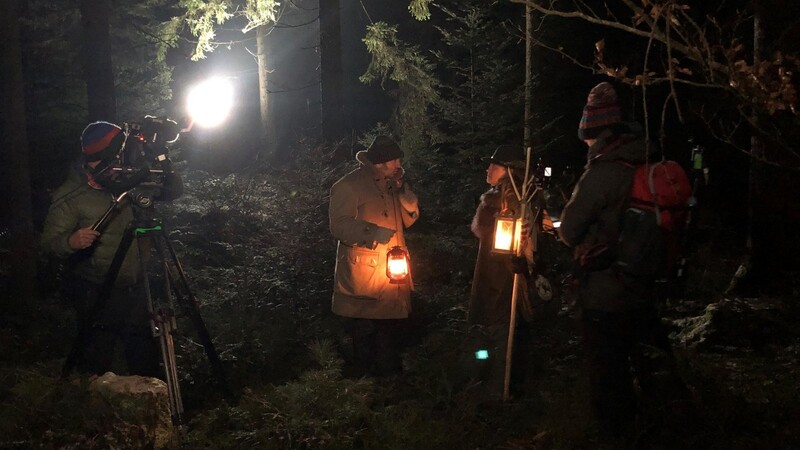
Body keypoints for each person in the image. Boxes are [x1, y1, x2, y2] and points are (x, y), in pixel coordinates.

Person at [558, 82, 678, 438]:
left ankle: (616, 435)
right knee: (647, 359)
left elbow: (570, 230)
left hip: (605, 289)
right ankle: (666, 426)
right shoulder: (647, 159)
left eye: (587, 137)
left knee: (608, 370)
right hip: (644, 281)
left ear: (596, 133)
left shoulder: (604, 171)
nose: (585, 144)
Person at [41, 121, 182, 378]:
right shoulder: (72, 195)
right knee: (96, 360)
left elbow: (172, 190)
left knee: (144, 359)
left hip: (137, 288)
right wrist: (70, 242)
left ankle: (153, 409)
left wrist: (161, 155)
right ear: (102, 155)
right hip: (96, 289)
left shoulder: (128, 183)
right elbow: (49, 243)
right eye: (116, 152)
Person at [328, 135, 420, 377]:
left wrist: (406, 200)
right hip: (364, 279)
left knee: (388, 334)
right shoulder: (348, 186)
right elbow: (338, 226)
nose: (399, 164)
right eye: (395, 160)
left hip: (391, 275)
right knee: (364, 335)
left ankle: (388, 387)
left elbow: (407, 221)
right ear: (381, 162)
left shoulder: (392, 184)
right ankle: (364, 390)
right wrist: (372, 232)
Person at [467, 144, 541, 399]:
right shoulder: (501, 198)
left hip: (503, 279)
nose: (488, 168)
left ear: (508, 170)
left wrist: (517, 259)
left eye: (494, 164)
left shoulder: (510, 202)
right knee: (496, 331)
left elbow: (517, 242)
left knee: (500, 331)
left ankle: (499, 389)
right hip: (497, 275)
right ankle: (497, 382)